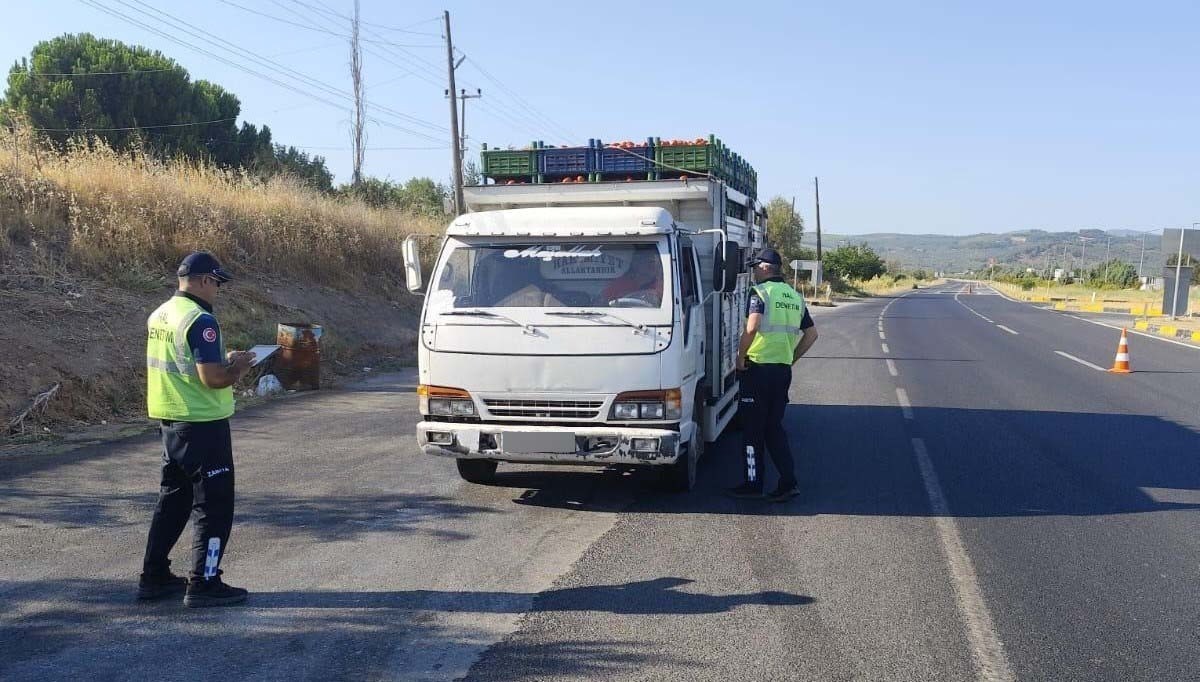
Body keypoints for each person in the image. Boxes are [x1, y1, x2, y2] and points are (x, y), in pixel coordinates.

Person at [138, 251, 255, 607]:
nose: (218, 290)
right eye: (217, 284)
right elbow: (213, 378)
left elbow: (183, 362)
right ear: (205, 280)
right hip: (203, 425)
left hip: (171, 422)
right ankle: (204, 582)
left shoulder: (161, 314)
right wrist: (239, 368)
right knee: (214, 505)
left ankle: (153, 575)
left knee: (173, 499)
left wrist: (224, 358)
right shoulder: (201, 319)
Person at [727, 248, 818, 502]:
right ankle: (788, 482)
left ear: (766, 268)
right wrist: (790, 358)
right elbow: (812, 335)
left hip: (757, 370)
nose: (753, 272)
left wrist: (739, 357)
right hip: (781, 372)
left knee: (752, 431)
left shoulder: (760, 293)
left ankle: (753, 484)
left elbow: (752, 326)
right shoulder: (794, 297)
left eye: (755, 267)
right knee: (774, 428)